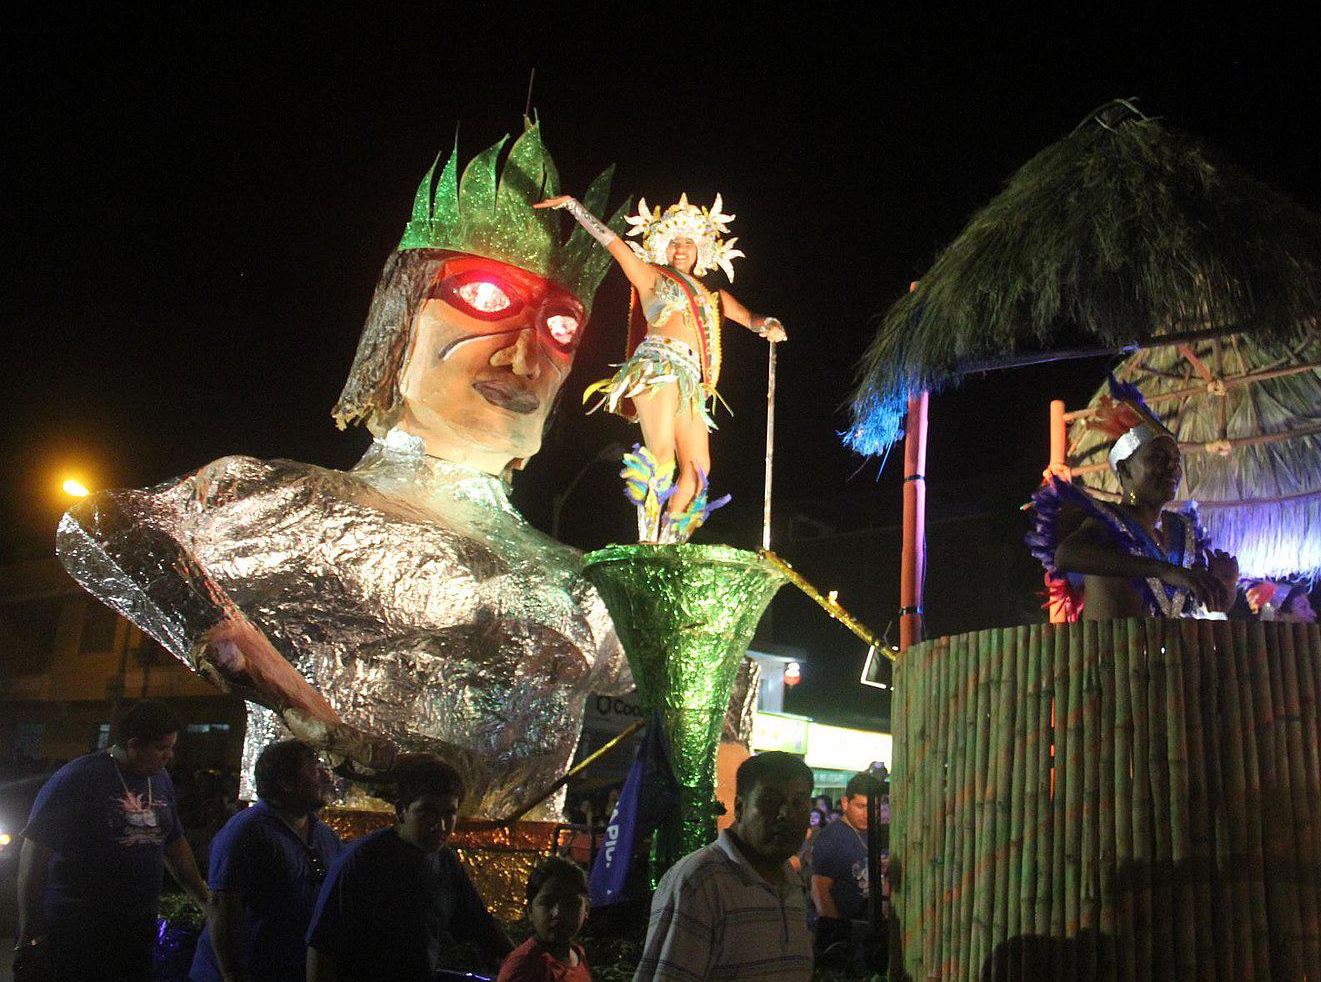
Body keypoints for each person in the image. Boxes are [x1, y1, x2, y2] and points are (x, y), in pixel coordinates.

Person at [56, 121, 634, 819]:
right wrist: (290, 696)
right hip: (314, 872)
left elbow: (710, 692)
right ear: (397, 321)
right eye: (484, 301)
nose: (523, 357)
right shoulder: (301, 505)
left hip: (513, 909)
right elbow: (99, 524)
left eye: (562, 327)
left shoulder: (578, 579)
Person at [539, 191, 787, 543]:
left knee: (698, 472)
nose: (680, 249)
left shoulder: (714, 297)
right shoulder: (650, 277)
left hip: (690, 381)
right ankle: (647, 539)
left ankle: (669, 542)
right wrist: (573, 207)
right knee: (661, 457)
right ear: (663, 249)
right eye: (673, 243)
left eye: (687, 243)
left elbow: (750, 318)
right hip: (656, 367)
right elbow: (613, 243)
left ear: (701, 250)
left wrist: (768, 324)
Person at [13, 699, 209, 982]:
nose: (168, 756)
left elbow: (173, 843)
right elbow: (34, 855)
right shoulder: (78, 778)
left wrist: (203, 897)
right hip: (79, 931)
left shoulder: (160, 779)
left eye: (171, 748)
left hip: (136, 932)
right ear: (132, 744)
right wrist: (30, 930)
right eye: (160, 748)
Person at [1028, 375, 1238, 620]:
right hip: (1111, 655)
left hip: (1165, 656)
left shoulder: (1181, 530)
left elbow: (1213, 607)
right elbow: (1066, 555)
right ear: (1125, 470)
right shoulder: (1108, 519)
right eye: (1159, 459)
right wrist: (1163, 571)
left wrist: (1226, 584)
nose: (1171, 469)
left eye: (1175, 462)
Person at [305, 755, 511, 981]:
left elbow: (481, 928)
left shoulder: (444, 862)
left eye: (449, 814)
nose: (440, 825)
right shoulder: (363, 861)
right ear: (401, 811)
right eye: (428, 812)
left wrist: (527, 961)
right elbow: (322, 947)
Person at [635, 751, 814, 981]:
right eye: (770, 800)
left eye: (798, 802)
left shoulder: (791, 881)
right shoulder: (700, 882)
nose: (786, 814)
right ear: (739, 808)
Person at [187, 739, 341, 982]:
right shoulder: (246, 832)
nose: (325, 777)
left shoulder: (324, 835)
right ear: (287, 783)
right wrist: (233, 974)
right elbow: (224, 907)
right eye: (314, 770)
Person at [808, 772, 878, 956]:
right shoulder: (832, 837)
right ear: (846, 803)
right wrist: (836, 935)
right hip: (844, 932)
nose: (867, 813)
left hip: (866, 931)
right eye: (861, 806)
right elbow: (820, 889)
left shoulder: (876, 833)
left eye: (872, 807)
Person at [497, 857, 592, 982]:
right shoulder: (525, 967)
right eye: (548, 903)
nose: (558, 913)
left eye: (570, 903)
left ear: (586, 910)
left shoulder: (577, 954)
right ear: (530, 911)